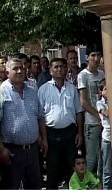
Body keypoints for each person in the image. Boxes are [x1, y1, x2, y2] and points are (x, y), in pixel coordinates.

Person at [0, 58, 48, 189]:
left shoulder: (32, 91)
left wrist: (44, 139)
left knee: (34, 186)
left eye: (22, 68)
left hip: (32, 151)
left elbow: (40, 116)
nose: (20, 71)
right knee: (11, 186)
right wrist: (1, 149)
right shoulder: (2, 92)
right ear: (7, 72)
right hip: (11, 151)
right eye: (15, 68)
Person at [38, 57, 84, 189]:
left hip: (70, 133)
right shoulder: (43, 89)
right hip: (51, 134)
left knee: (72, 168)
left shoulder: (71, 89)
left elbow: (79, 112)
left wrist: (79, 133)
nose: (59, 69)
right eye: (56, 67)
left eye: (62, 66)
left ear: (66, 69)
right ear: (50, 70)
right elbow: (40, 116)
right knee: (53, 170)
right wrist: (43, 138)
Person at [78, 44, 105, 180]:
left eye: (98, 55)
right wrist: (98, 116)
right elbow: (83, 101)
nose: (96, 58)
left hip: (104, 121)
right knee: (91, 158)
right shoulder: (83, 75)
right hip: (91, 122)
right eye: (92, 55)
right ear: (86, 57)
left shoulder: (102, 74)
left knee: (103, 158)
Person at [96, 79, 112, 190]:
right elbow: (106, 113)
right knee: (106, 168)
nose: (108, 91)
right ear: (101, 91)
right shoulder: (100, 103)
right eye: (106, 89)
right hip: (107, 137)